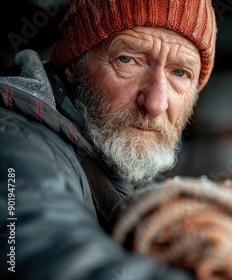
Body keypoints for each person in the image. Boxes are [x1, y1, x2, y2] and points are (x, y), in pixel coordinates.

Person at [0, 0, 216, 279]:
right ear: (73, 65)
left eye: (179, 73)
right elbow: (48, 257)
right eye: (128, 60)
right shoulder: (16, 145)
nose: (155, 103)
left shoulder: (120, 166)